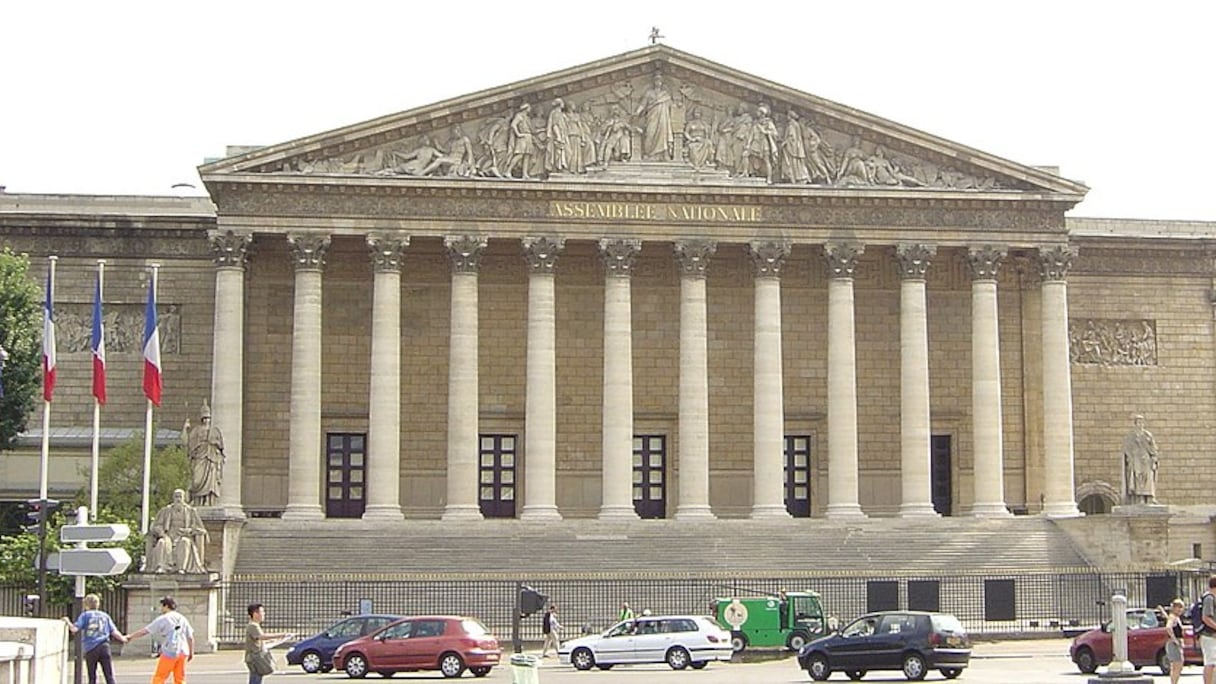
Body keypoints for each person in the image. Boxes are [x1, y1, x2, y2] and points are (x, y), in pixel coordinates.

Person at [125, 596, 195, 684]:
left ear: (166, 606)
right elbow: (190, 637)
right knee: (180, 679)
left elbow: (145, 631)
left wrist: (130, 636)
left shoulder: (163, 618)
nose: (161, 608)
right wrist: (191, 652)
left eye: (162, 606)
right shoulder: (182, 618)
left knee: (160, 678)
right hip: (183, 652)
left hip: (170, 651)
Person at [63, 593, 127, 684]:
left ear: (86, 605)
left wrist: (67, 621)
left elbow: (74, 629)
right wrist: (123, 638)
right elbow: (114, 632)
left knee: (92, 676)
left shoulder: (85, 615)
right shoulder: (105, 616)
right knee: (109, 675)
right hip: (104, 646)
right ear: (98, 604)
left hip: (91, 648)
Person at [145, 488, 208, 574]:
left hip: (183, 536)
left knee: (184, 542)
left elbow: (200, 529)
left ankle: (181, 568)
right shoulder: (166, 510)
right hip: (168, 535)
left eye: (180, 497)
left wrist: (188, 531)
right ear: (173, 498)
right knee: (161, 543)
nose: (178, 499)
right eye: (176, 497)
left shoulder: (191, 511)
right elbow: (156, 525)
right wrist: (161, 532)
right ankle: (161, 566)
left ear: (184, 498)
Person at [184, 401, 225, 507]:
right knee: (196, 480)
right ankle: (197, 501)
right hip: (199, 456)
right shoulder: (196, 430)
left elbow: (220, 445)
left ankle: (207, 501)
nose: (207, 420)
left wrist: (215, 444)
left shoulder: (215, 431)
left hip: (211, 458)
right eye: (205, 418)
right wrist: (186, 429)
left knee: (211, 481)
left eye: (208, 418)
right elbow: (188, 442)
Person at [245, 603, 294, 684]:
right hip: (255, 658)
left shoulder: (255, 626)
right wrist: (281, 635)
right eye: (262, 612)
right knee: (256, 680)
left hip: (255, 658)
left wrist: (275, 640)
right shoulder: (253, 626)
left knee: (256, 679)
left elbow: (258, 640)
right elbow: (262, 636)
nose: (264, 614)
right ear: (255, 614)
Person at [634, 73, 674, 161]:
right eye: (656, 80)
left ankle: (663, 154)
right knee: (650, 134)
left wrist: (679, 105)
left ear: (662, 82)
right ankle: (649, 154)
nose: (658, 82)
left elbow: (672, 106)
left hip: (663, 118)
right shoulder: (649, 93)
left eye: (659, 80)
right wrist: (637, 112)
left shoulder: (665, 94)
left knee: (663, 135)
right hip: (651, 117)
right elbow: (643, 104)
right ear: (653, 82)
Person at [1123, 414, 1159, 504]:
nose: (1140, 424)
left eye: (1141, 422)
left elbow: (1153, 448)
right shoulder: (1131, 436)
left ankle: (1149, 497)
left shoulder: (1147, 435)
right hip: (1136, 460)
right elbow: (1127, 448)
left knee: (1148, 479)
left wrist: (1154, 457)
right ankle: (1139, 498)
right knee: (1137, 478)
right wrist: (1130, 458)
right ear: (1135, 424)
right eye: (1138, 422)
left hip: (1146, 460)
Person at [503, 103, 536, 179]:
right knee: (520, 155)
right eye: (529, 107)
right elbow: (513, 125)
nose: (530, 109)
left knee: (527, 156)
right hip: (522, 137)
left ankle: (525, 174)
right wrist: (518, 134)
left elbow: (532, 129)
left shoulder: (527, 118)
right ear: (525, 108)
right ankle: (508, 171)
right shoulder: (519, 116)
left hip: (528, 137)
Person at [1163, 598, 1185, 684]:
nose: (1180, 609)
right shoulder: (1172, 617)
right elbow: (1168, 627)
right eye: (1178, 607)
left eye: (1181, 607)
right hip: (1173, 644)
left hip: (1176, 643)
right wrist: (1174, 639)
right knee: (1177, 665)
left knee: (1178, 665)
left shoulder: (1175, 617)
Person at [1203, 576, 1216, 684]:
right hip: (1208, 635)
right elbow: (1206, 617)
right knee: (1210, 663)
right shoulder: (1209, 598)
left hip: (1212, 635)